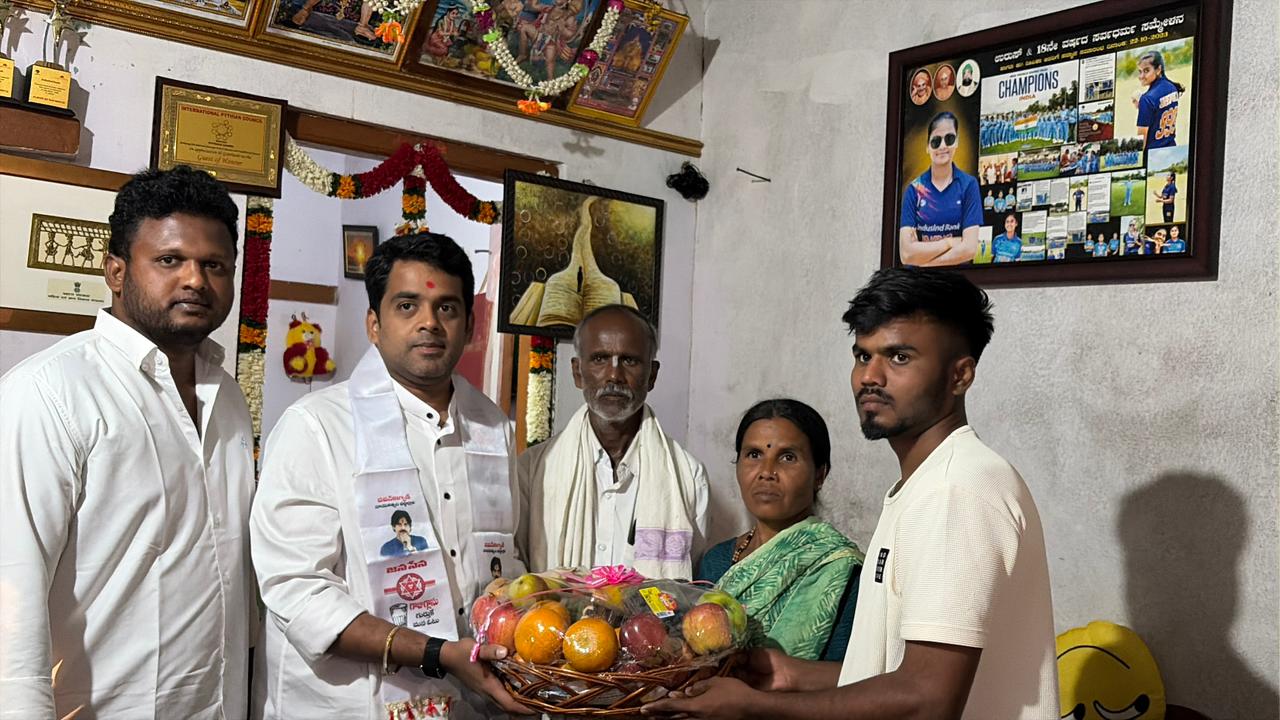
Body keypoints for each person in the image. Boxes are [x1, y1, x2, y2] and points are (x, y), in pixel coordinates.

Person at [643, 266, 1057, 719]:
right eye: (863, 356)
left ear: (960, 375)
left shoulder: (958, 489)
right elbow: (891, 671)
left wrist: (758, 708)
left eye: (899, 357)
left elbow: (928, 699)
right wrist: (788, 675)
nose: (870, 377)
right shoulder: (923, 486)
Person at [0, 166, 254, 719]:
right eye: (169, 260)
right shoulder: (50, 393)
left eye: (215, 265)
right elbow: (9, 594)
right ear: (115, 271)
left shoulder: (228, 399)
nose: (195, 280)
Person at [249, 233, 531, 719]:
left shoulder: (493, 430)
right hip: (350, 705)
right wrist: (435, 653)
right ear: (374, 325)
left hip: (467, 703)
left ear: (468, 324)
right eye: (407, 306)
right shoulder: (316, 427)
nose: (429, 323)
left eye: (447, 308)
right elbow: (297, 589)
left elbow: (507, 560)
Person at [518, 305, 709, 578]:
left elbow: (685, 585)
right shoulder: (533, 470)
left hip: (648, 622)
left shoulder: (688, 478)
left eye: (629, 361)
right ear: (577, 371)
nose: (614, 376)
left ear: (652, 375)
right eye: (599, 359)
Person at [696, 399, 862, 661]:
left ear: (820, 475)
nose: (767, 472)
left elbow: (852, 677)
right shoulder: (716, 561)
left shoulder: (840, 568)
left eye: (788, 457)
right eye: (754, 454)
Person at [899, 112, 981, 267]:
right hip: (918, 285)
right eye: (936, 141)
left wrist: (923, 262)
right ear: (927, 147)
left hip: (957, 283)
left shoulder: (969, 185)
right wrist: (949, 242)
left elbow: (969, 249)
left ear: (957, 142)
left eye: (949, 139)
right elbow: (906, 254)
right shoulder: (914, 190)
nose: (943, 146)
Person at [1135, 49, 1185, 148]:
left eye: (1146, 71)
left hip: (1154, 155)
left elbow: (1142, 140)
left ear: (1158, 69)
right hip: (1171, 147)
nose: (1141, 76)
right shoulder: (1172, 87)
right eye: (1140, 71)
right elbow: (1160, 110)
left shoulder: (1147, 99)